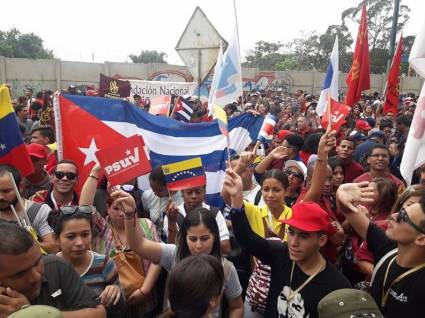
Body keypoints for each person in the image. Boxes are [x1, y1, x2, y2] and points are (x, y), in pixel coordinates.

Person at [223, 169, 351, 318]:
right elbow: (246, 238)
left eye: (304, 236)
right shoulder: (281, 254)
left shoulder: (336, 285)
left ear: (321, 240)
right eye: (291, 232)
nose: (294, 243)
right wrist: (237, 197)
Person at [118, 190, 244, 318]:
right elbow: (138, 245)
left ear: (215, 237)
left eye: (205, 238)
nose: (199, 245)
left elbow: (237, 306)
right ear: (185, 238)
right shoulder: (174, 254)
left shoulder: (226, 268)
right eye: (193, 239)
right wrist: (129, 214)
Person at [80, 165, 161, 317]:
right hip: (109, 304)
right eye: (116, 208)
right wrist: (95, 173)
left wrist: (145, 290)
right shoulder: (101, 227)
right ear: (107, 208)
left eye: (125, 207)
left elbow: (158, 259)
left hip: (146, 305)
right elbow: (84, 208)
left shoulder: (146, 225)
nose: (122, 213)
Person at [336, 182, 425, 318]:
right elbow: (349, 211)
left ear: (421, 239)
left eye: (403, 217)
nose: (393, 215)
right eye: (401, 210)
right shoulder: (387, 248)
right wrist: (341, 193)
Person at [0, 222, 106, 318]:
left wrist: (33, 314)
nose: (36, 276)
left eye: (37, 263)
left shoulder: (55, 267)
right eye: (20, 274)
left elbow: (99, 314)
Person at [48, 206, 126, 318]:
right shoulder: (49, 269)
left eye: (85, 234)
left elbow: (119, 312)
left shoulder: (104, 264)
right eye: (71, 237)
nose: (79, 242)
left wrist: (115, 295)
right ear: (56, 239)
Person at [0, 164, 56, 253]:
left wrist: (26, 243)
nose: (1, 197)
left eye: (6, 191)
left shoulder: (39, 211)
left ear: (21, 187)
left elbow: (53, 247)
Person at [164, 184, 231, 254]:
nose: (194, 196)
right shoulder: (173, 215)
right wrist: (171, 222)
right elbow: (173, 249)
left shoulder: (214, 213)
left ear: (204, 192)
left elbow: (225, 248)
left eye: (198, 192)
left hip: (210, 262)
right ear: (182, 193)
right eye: (189, 192)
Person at [141, 167, 183, 242]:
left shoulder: (183, 197)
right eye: (152, 188)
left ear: (169, 185)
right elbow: (146, 220)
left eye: (159, 190)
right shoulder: (147, 196)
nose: (155, 193)